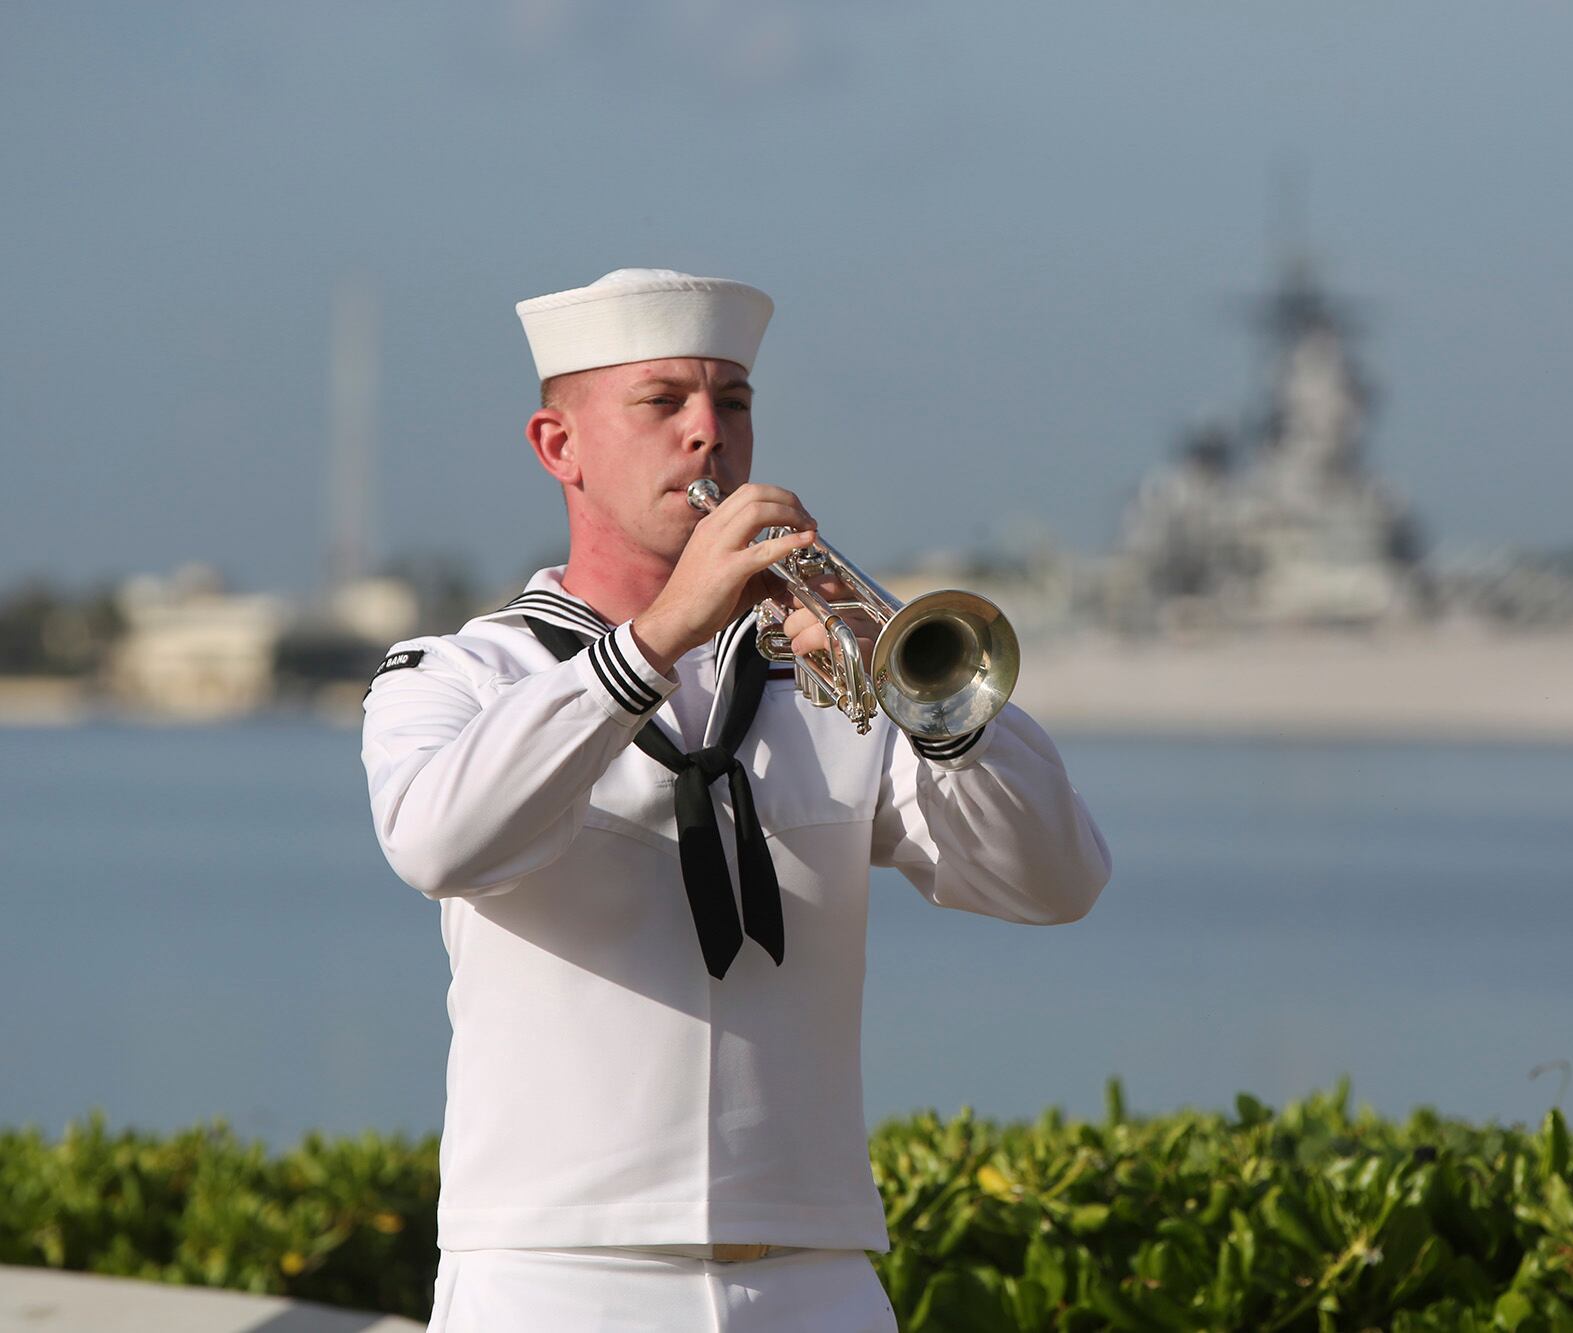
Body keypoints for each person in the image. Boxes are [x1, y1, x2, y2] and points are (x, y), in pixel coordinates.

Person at [359, 267, 1112, 1332]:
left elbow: (1056, 882)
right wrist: (657, 639)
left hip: (815, 1271)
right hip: (552, 1272)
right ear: (557, 446)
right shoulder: (459, 675)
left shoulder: (825, 678)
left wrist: (928, 709)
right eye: (662, 402)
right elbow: (439, 841)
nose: (709, 433)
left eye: (734, 402)